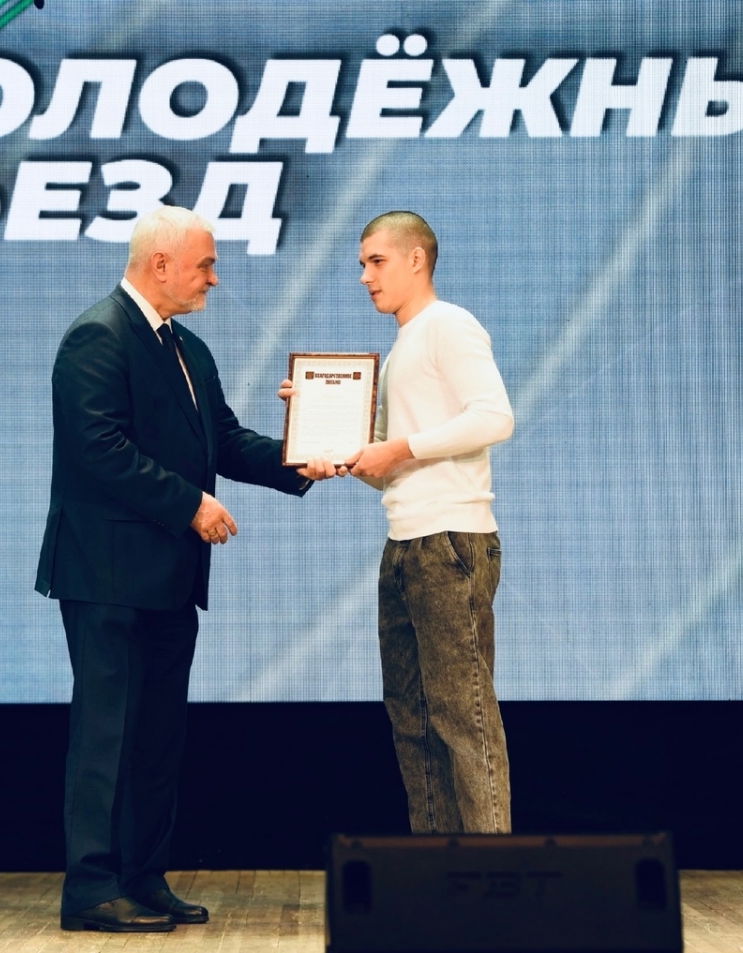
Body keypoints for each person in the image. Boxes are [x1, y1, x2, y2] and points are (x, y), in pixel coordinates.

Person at [35, 206, 336, 932]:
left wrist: (301, 454)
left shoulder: (187, 348)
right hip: (106, 576)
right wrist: (190, 504)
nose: (214, 277)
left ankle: (142, 878)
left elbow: (222, 440)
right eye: (205, 264)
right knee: (107, 734)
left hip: (168, 577)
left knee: (157, 738)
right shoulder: (97, 335)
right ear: (160, 263)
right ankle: (91, 888)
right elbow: (99, 449)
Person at [347, 211, 515, 834]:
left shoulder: (449, 324)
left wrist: (399, 448)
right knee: (412, 717)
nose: (365, 277)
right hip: (405, 541)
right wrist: (329, 433)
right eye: (362, 265)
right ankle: (438, 866)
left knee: (463, 715)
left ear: (416, 258)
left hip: (450, 540)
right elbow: (387, 464)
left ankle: (491, 872)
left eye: (376, 261)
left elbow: (494, 417)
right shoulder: (402, 348)